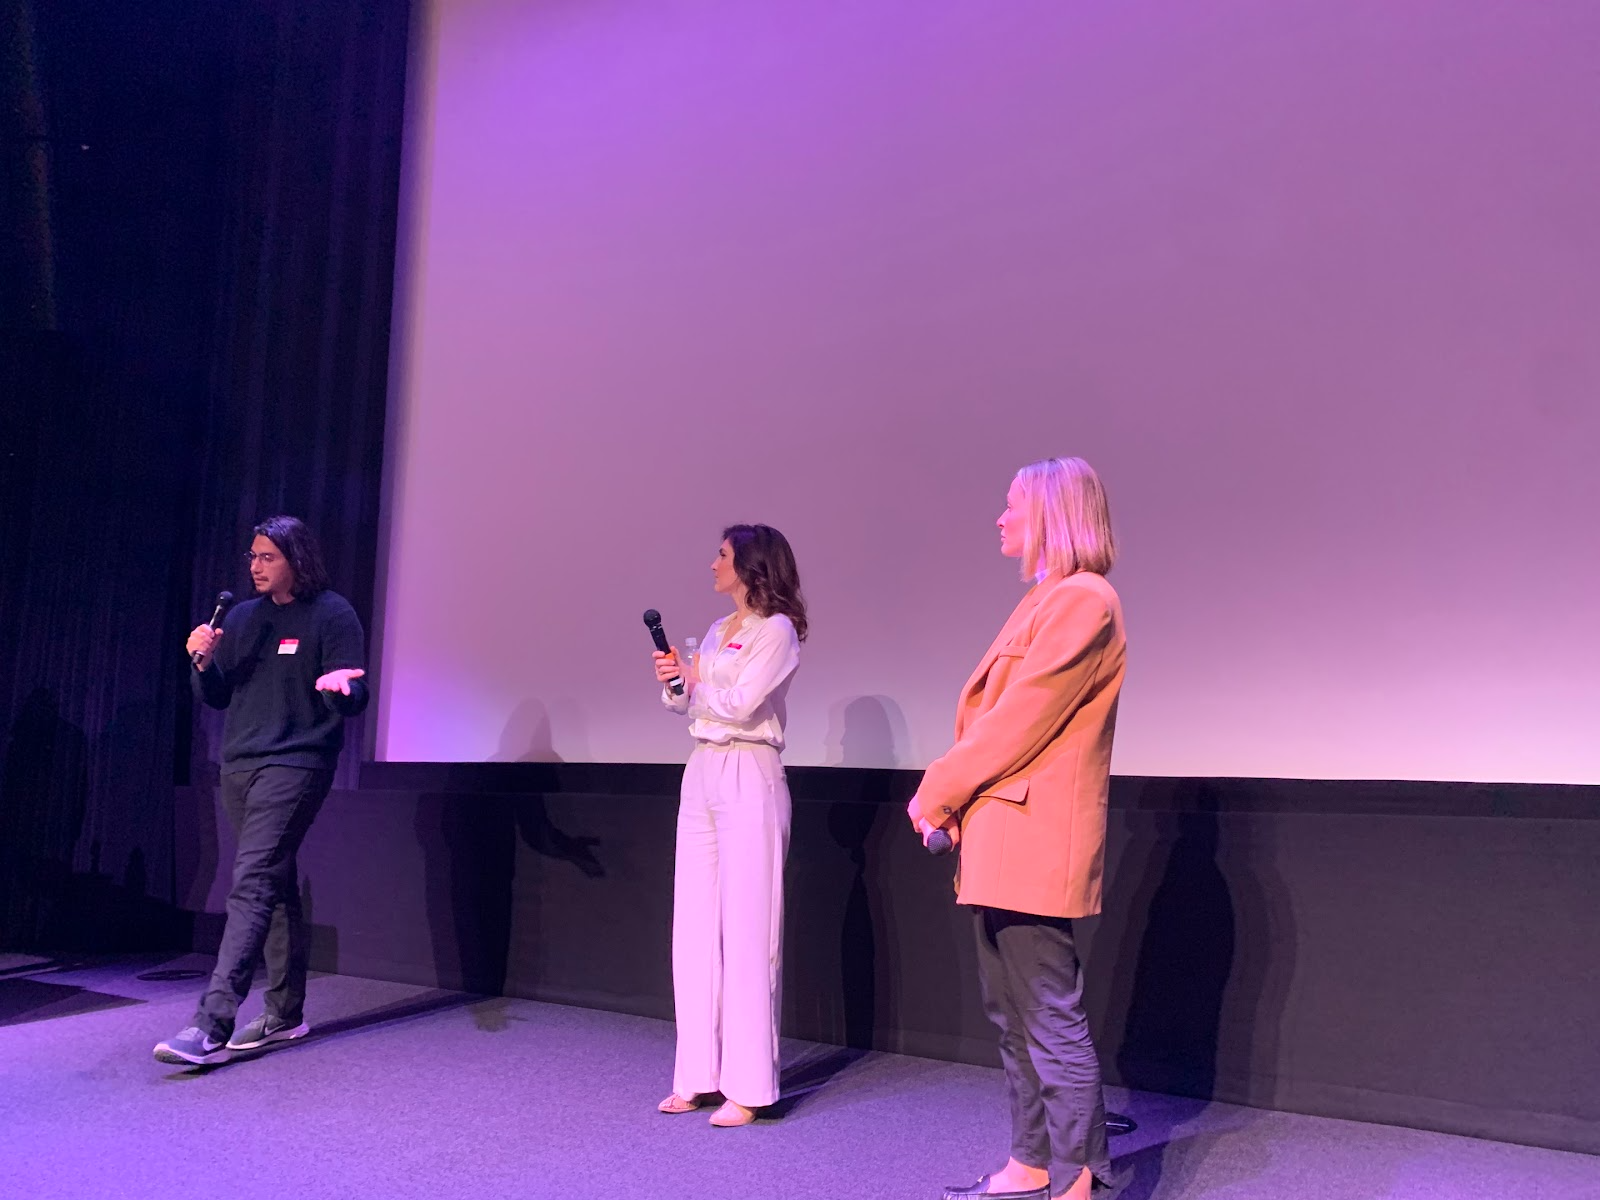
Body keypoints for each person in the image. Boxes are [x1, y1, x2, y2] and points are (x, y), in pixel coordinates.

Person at [909, 458, 1127, 1200]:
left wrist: (937, 789)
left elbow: (1019, 720)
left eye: (1012, 507)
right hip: (1000, 839)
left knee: (1047, 1017)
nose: (1000, 520)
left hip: (1034, 840)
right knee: (1012, 1015)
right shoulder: (1044, 600)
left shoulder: (1085, 601)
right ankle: (1032, 1161)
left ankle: (1078, 1179)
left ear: (1053, 514)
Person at [154, 516, 369, 1066]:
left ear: (296, 559)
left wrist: (342, 690)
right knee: (272, 883)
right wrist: (201, 661)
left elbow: (353, 693)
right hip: (239, 764)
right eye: (252, 556)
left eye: (267, 557)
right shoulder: (244, 619)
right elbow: (218, 696)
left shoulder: (332, 613)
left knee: (250, 883)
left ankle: (210, 1025)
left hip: (296, 764)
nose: (254, 566)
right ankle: (285, 1012)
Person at [652, 524, 807, 1127]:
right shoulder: (719, 631)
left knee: (747, 930)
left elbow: (741, 704)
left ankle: (748, 1085)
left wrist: (697, 683)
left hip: (750, 772)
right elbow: (690, 703)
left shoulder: (778, 631)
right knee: (692, 923)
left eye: (721, 555)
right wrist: (676, 683)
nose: (712, 563)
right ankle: (697, 1075)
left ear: (750, 564)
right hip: (704, 770)